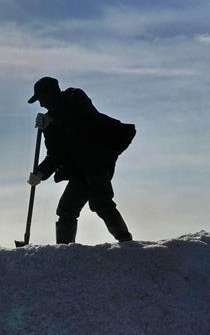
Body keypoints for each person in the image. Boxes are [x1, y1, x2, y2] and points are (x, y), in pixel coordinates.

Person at [27, 77, 135, 244]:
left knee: (101, 202)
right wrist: (40, 173)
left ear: (51, 93)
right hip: (79, 169)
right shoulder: (50, 122)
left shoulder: (75, 97)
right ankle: (65, 250)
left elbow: (83, 119)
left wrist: (53, 119)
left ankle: (126, 241)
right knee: (66, 209)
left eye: (41, 98)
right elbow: (55, 154)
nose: (41, 105)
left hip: (97, 160)